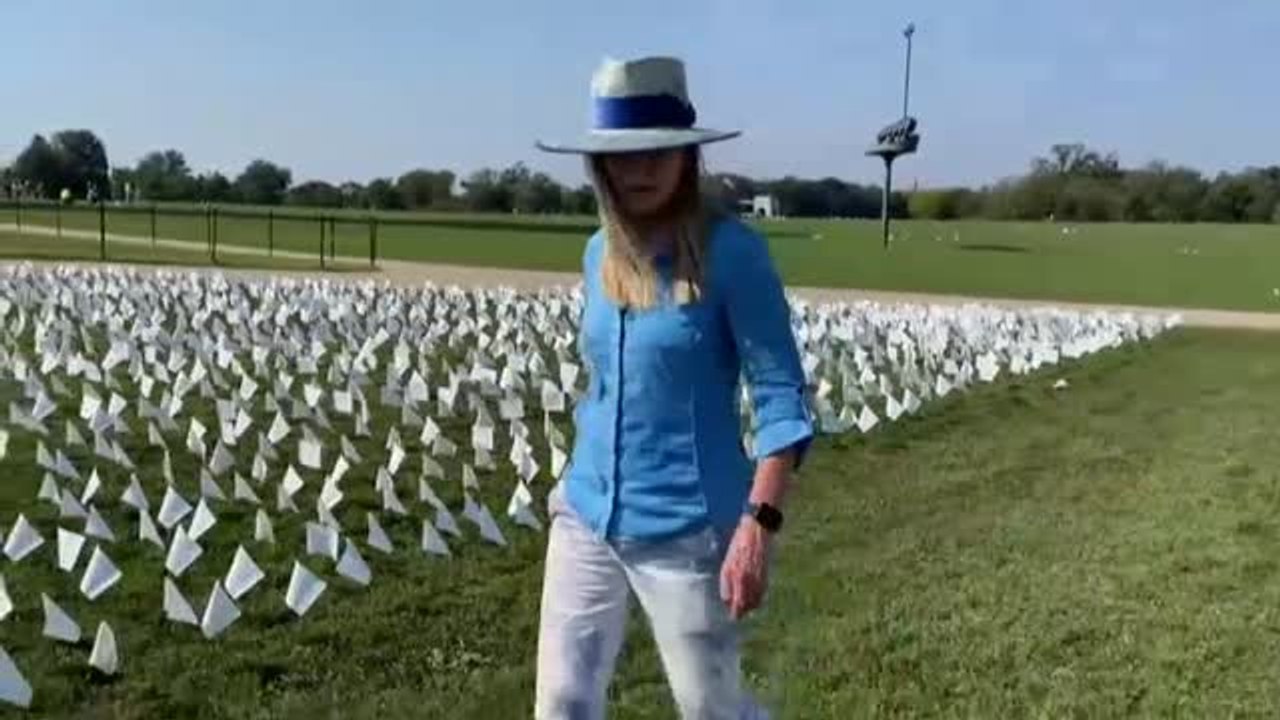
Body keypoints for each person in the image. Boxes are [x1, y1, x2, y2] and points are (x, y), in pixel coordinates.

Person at [533, 56, 814, 720]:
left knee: (712, 710)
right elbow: (608, 382)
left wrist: (758, 527)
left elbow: (780, 398)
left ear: (688, 156)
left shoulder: (734, 255)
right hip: (586, 514)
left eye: (658, 151)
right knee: (562, 703)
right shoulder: (598, 253)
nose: (640, 168)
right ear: (599, 165)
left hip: (688, 529)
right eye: (622, 155)